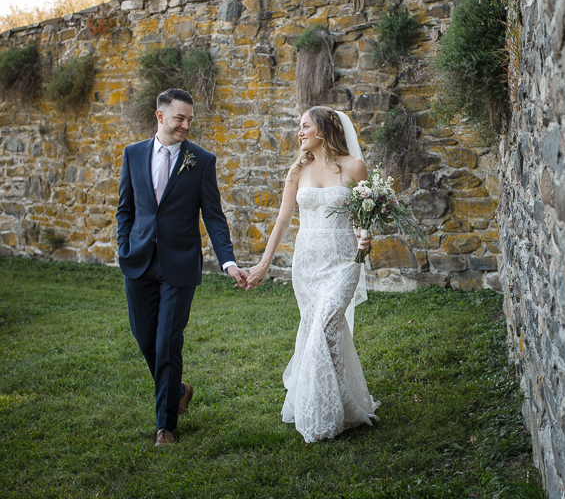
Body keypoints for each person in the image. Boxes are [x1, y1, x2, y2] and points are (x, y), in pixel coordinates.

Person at [116, 88, 249, 447]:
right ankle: (178, 390)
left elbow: (215, 217)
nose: (186, 125)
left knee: (167, 342)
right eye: (180, 118)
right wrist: (123, 246)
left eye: (190, 119)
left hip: (180, 267)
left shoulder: (201, 161)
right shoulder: (133, 154)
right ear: (160, 116)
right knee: (146, 339)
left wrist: (229, 262)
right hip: (138, 263)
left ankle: (165, 427)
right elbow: (125, 210)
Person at [244, 105, 379, 442]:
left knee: (326, 325)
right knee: (321, 331)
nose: (299, 133)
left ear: (323, 129)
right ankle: (337, 405)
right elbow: (283, 220)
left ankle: (323, 413)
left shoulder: (355, 167)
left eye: (305, 126)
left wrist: (366, 237)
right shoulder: (297, 170)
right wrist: (263, 263)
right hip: (307, 265)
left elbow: (365, 218)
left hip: (343, 262)